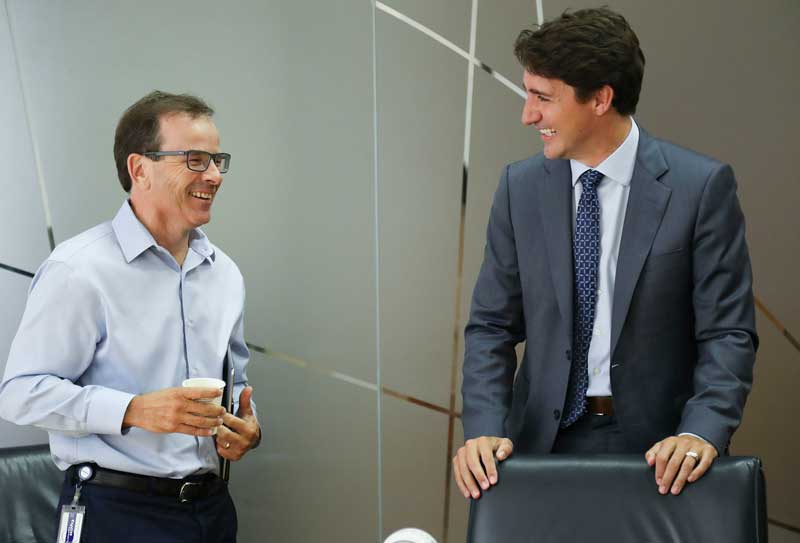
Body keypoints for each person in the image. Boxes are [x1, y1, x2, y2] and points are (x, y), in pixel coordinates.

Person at [453, 7, 757, 501]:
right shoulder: (520, 187)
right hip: (536, 449)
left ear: (600, 98)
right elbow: (491, 325)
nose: (528, 114)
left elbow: (728, 332)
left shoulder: (700, 188)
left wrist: (701, 431)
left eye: (542, 98)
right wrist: (483, 428)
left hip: (661, 458)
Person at [0, 91, 260, 542]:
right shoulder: (78, 270)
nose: (214, 175)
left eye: (218, 159)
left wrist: (247, 429)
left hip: (212, 510)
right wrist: (134, 410)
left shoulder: (226, 275)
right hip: (113, 514)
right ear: (140, 169)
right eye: (195, 160)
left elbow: (236, 385)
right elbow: (20, 393)